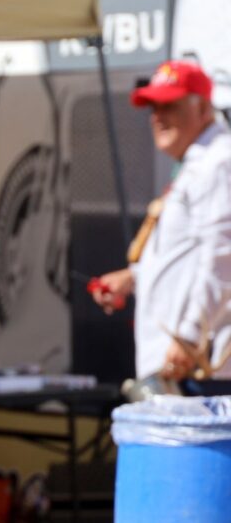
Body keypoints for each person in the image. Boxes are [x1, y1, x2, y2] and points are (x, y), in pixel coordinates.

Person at [91, 60, 231, 381]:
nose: (158, 117)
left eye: (170, 105)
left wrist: (189, 335)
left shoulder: (219, 162)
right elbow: (189, 255)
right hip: (181, 362)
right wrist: (135, 277)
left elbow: (223, 258)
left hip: (199, 364)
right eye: (154, 107)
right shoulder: (200, 163)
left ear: (204, 108)